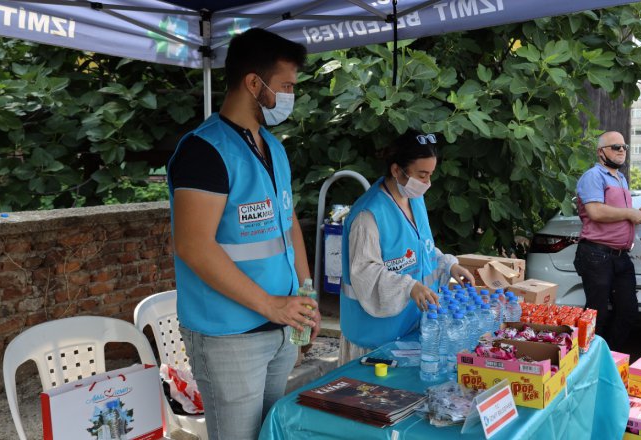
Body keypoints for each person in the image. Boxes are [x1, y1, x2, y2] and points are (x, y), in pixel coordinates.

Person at [166, 28, 319, 439]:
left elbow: (289, 230)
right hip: (229, 334)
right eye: (286, 86)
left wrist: (306, 298)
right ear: (255, 83)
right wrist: (271, 305)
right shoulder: (204, 151)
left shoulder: (273, 147)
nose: (291, 96)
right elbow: (193, 245)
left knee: (271, 432)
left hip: (280, 325)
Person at [338, 130, 475, 364]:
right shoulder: (367, 217)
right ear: (396, 170)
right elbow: (365, 273)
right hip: (373, 339)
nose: (427, 183)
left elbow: (422, 249)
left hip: (410, 329)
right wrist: (409, 287)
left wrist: (448, 265)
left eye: (430, 174)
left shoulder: (414, 198)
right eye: (422, 175)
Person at [573, 131, 641, 351]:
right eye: (616, 147)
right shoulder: (593, 176)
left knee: (628, 311)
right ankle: (586, 360)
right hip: (597, 254)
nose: (622, 151)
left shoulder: (621, 178)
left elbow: (618, 213)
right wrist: (628, 214)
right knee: (598, 314)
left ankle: (608, 357)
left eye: (624, 147)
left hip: (620, 256)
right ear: (600, 152)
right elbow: (595, 211)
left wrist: (638, 215)